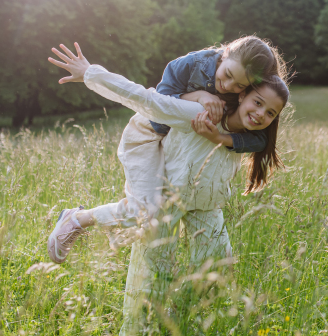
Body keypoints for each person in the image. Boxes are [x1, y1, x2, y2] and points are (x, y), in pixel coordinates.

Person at [46, 43, 290, 334]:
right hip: (161, 181)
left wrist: (220, 138)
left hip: (204, 205)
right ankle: (80, 220)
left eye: (270, 113)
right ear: (242, 96)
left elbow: (257, 141)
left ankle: (177, 317)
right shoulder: (199, 111)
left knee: (217, 267)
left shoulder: (251, 137)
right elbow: (148, 99)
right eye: (257, 102)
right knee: (150, 245)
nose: (261, 114)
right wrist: (91, 73)